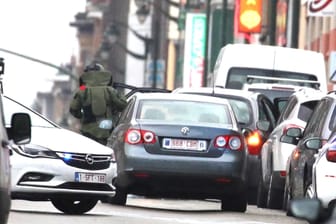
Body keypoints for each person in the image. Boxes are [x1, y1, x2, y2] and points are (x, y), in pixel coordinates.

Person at [69, 62, 127, 145]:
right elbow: (123, 105)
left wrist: (81, 116)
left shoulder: (82, 89)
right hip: (107, 131)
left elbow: (73, 109)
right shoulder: (110, 89)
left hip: (88, 131)